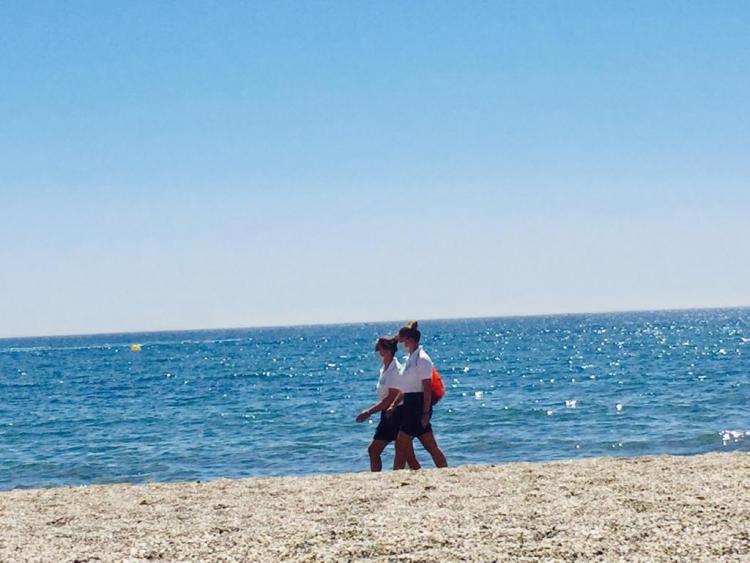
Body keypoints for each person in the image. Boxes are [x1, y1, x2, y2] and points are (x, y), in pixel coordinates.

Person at [356, 336, 420, 471]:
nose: (376, 352)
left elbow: (391, 397)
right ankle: (378, 479)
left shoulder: (395, 370)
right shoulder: (385, 368)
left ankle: (417, 477)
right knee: (384, 451)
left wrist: (369, 412)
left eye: (378, 349)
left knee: (399, 452)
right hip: (387, 413)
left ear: (387, 351)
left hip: (397, 413)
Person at [393, 321, 448, 470]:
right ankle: (444, 469)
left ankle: (395, 474)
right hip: (410, 403)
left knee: (401, 444)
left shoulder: (422, 359)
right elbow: (407, 387)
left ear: (410, 340)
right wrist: (394, 404)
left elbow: (426, 388)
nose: (402, 343)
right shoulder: (411, 358)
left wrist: (425, 413)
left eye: (404, 340)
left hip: (417, 405)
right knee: (430, 445)